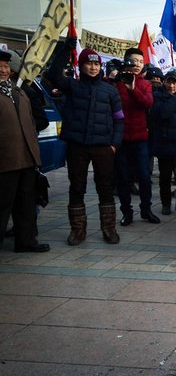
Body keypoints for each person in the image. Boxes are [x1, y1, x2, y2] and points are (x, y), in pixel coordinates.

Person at [45, 44, 124, 245]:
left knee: (105, 187)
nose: (93, 67)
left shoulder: (110, 91)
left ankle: (109, 229)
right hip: (77, 146)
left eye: (96, 64)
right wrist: (64, 50)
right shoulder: (72, 86)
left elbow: (119, 120)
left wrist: (114, 144)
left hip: (103, 147)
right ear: (81, 66)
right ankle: (77, 231)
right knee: (77, 187)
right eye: (89, 63)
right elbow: (54, 74)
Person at [0, 50, 50, 253]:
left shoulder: (18, 91)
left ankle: (26, 241)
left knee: (26, 205)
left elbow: (31, 121)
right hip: (5, 161)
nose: (3, 70)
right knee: (2, 207)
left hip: (27, 159)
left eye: (5, 66)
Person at [113, 47, 158, 226]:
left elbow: (147, 103)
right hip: (121, 138)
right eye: (134, 61)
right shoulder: (116, 83)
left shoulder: (144, 83)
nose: (137, 65)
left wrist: (132, 88)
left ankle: (146, 210)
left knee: (145, 177)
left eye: (141, 62)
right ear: (126, 63)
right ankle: (127, 212)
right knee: (123, 178)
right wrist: (116, 80)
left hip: (140, 138)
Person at [149, 69, 176, 215]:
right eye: (169, 82)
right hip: (164, 144)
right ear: (164, 82)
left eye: (174, 82)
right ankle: (165, 204)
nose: (171, 86)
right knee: (164, 177)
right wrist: (175, 99)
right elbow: (163, 113)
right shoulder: (157, 96)